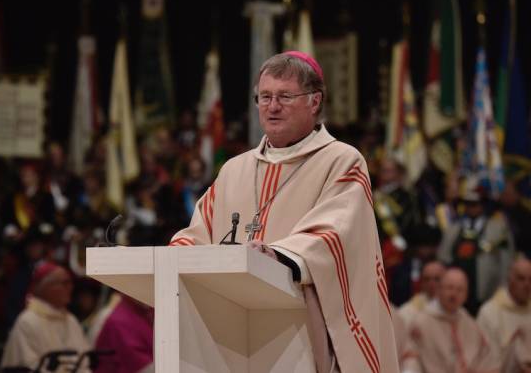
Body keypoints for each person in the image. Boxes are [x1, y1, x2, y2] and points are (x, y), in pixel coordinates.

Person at [169, 51, 399, 372]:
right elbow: (198, 233)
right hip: (232, 335)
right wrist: (168, 260)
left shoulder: (341, 160)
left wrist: (278, 256)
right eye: (264, 97)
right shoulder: (235, 169)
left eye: (285, 97)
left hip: (299, 333)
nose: (272, 106)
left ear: (314, 101)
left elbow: (333, 234)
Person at [438, 178, 516, 313]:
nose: (472, 208)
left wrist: (503, 288)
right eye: (468, 204)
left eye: (476, 204)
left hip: (487, 291)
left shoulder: (498, 228)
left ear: (483, 205)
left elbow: (506, 261)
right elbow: (443, 258)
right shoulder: (453, 229)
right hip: (455, 292)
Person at [0, 261, 90, 372]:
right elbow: (28, 367)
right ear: (44, 287)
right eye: (64, 283)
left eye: (70, 283)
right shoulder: (28, 321)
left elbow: (85, 361)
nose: (70, 287)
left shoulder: (70, 320)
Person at [410, 268, 499, 373]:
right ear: (439, 290)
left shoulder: (469, 323)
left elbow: (486, 358)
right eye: (449, 288)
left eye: (460, 290)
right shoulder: (421, 322)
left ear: (466, 295)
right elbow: (412, 359)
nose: (454, 294)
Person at [477, 257, 531, 368]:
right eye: (521, 279)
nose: (527, 285)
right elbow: (485, 362)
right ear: (509, 280)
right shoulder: (489, 313)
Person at [398, 260, 445, 328]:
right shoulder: (412, 307)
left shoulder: (453, 305)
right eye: (427, 279)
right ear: (421, 282)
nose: (431, 283)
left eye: (437, 279)